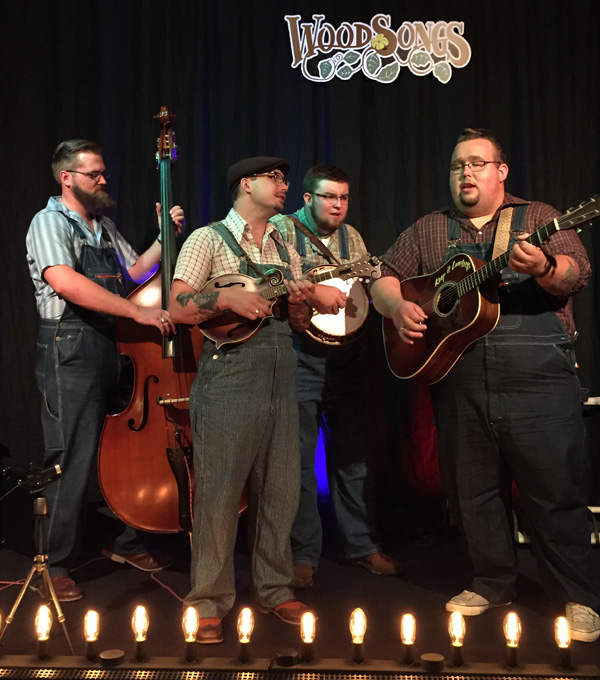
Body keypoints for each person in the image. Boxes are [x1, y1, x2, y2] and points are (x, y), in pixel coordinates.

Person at [371, 128, 600, 642]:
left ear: (501, 171)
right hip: (460, 374)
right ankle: (493, 582)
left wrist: (544, 266)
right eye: (458, 165)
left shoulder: (539, 217)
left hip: (537, 372)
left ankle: (578, 595)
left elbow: (576, 273)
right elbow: (382, 274)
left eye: (477, 163)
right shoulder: (429, 228)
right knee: (471, 490)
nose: (466, 173)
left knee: (554, 491)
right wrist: (396, 306)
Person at [26, 139, 182, 602]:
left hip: (111, 345)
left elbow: (134, 273)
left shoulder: (103, 225)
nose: (102, 179)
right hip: (70, 344)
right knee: (70, 455)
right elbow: (65, 281)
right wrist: (137, 313)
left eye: (103, 172)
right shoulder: (49, 222)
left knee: (122, 450)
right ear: (66, 177)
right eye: (93, 173)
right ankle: (53, 563)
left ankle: (125, 541)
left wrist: (164, 239)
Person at [169, 156, 316, 644]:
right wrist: (226, 299)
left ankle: (275, 587)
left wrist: (305, 303)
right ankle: (208, 600)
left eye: (284, 178)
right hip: (229, 373)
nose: (284, 184)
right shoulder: (207, 239)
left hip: (281, 370)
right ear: (246, 184)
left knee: (281, 489)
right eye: (274, 178)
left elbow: (297, 324)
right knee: (219, 491)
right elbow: (177, 305)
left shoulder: (284, 243)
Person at [272, 165, 399, 589]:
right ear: (307, 198)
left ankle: (362, 545)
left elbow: (369, 280)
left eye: (344, 198)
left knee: (353, 455)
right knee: (298, 461)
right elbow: (269, 280)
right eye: (329, 197)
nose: (338, 205)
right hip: (299, 356)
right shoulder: (280, 230)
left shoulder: (352, 237)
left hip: (347, 359)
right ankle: (302, 554)